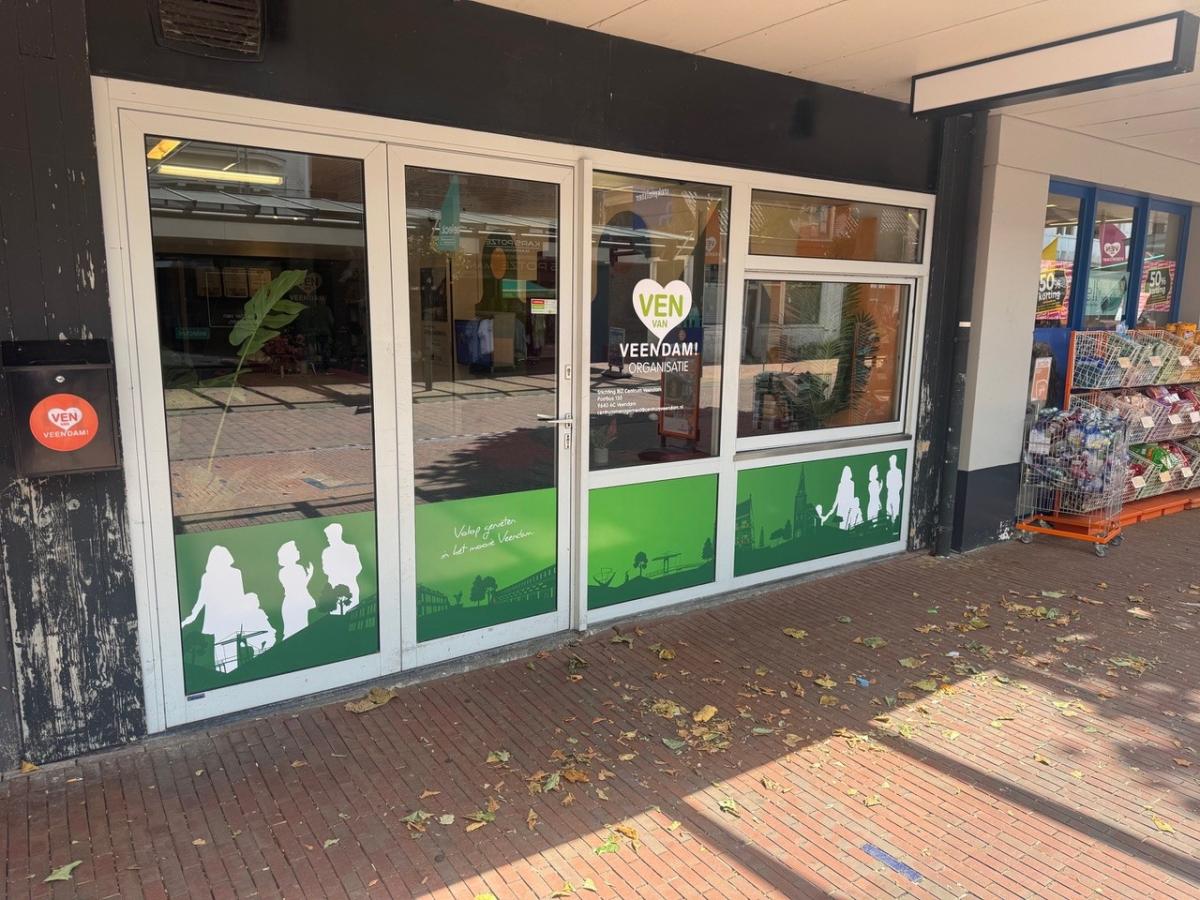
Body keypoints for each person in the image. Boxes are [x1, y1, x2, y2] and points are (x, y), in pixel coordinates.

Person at [181, 546, 276, 674]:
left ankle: (228, 674)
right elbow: (205, 599)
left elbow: (204, 599)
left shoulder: (214, 576)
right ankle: (229, 674)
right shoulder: (226, 575)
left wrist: (192, 616)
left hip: (225, 619)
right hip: (228, 618)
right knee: (226, 649)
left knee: (225, 650)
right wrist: (191, 617)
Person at [278, 540, 316, 640]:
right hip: (295, 603)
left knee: (297, 630)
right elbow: (300, 587)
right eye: (296, 550)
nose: (298, 551)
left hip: (292, 603)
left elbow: (300, 586)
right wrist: (310, 575)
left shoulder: (283, 571)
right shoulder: (296, 569)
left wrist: (309, 575)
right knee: (299, 631)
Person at [322, 522, 362, 614]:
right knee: (336, 615)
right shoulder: (327, 552)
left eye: (329, 536)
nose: (328, 539)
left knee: (353, 615)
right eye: (327, 537)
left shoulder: (351, 548)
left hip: (350, 587)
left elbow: (358, 567)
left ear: (337, 535)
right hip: (334, 588)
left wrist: (345, 575)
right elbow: (325, 569)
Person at [886, 454, 903, 522]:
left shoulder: (898, 471)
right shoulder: (889, 473)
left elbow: (900, 484)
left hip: (895, 494)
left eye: (891, 462)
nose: (890, 464)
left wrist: (895, 489)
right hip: (890, 494)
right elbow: (887, 485)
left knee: (895, 511)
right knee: (889, 511)